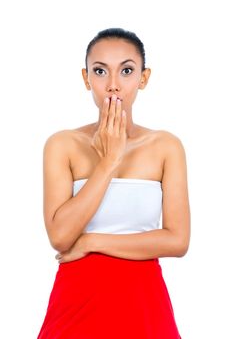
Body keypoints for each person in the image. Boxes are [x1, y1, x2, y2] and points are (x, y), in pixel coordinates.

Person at [37, 27, 190, 339]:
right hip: (76, 301)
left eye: (127, 71)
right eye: (100, 71)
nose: (113, 85)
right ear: (86, 78)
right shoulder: (62, 144)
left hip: (144, 302)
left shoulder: (165, 146)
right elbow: (61, 237)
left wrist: (94, 243)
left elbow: (177, 241)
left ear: (143, 79)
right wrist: (109, 161)